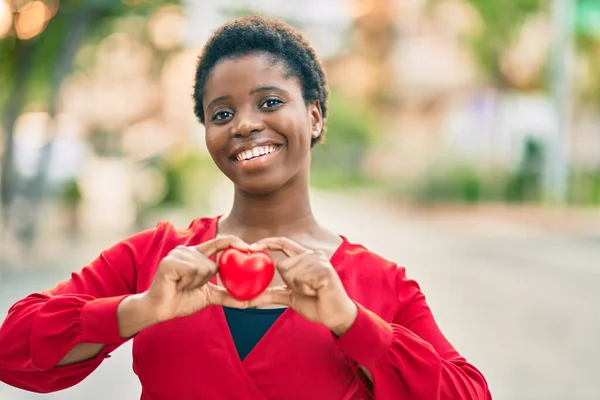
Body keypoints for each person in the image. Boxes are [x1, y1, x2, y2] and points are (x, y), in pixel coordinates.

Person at [0, 16, 491, 400]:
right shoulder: (155, 260)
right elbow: (13, 348)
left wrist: (351, 322)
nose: (245, 124)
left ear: (314, 116)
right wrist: (139, 310)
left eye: (270, 102)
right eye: (222, 113)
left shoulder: (379, 285)